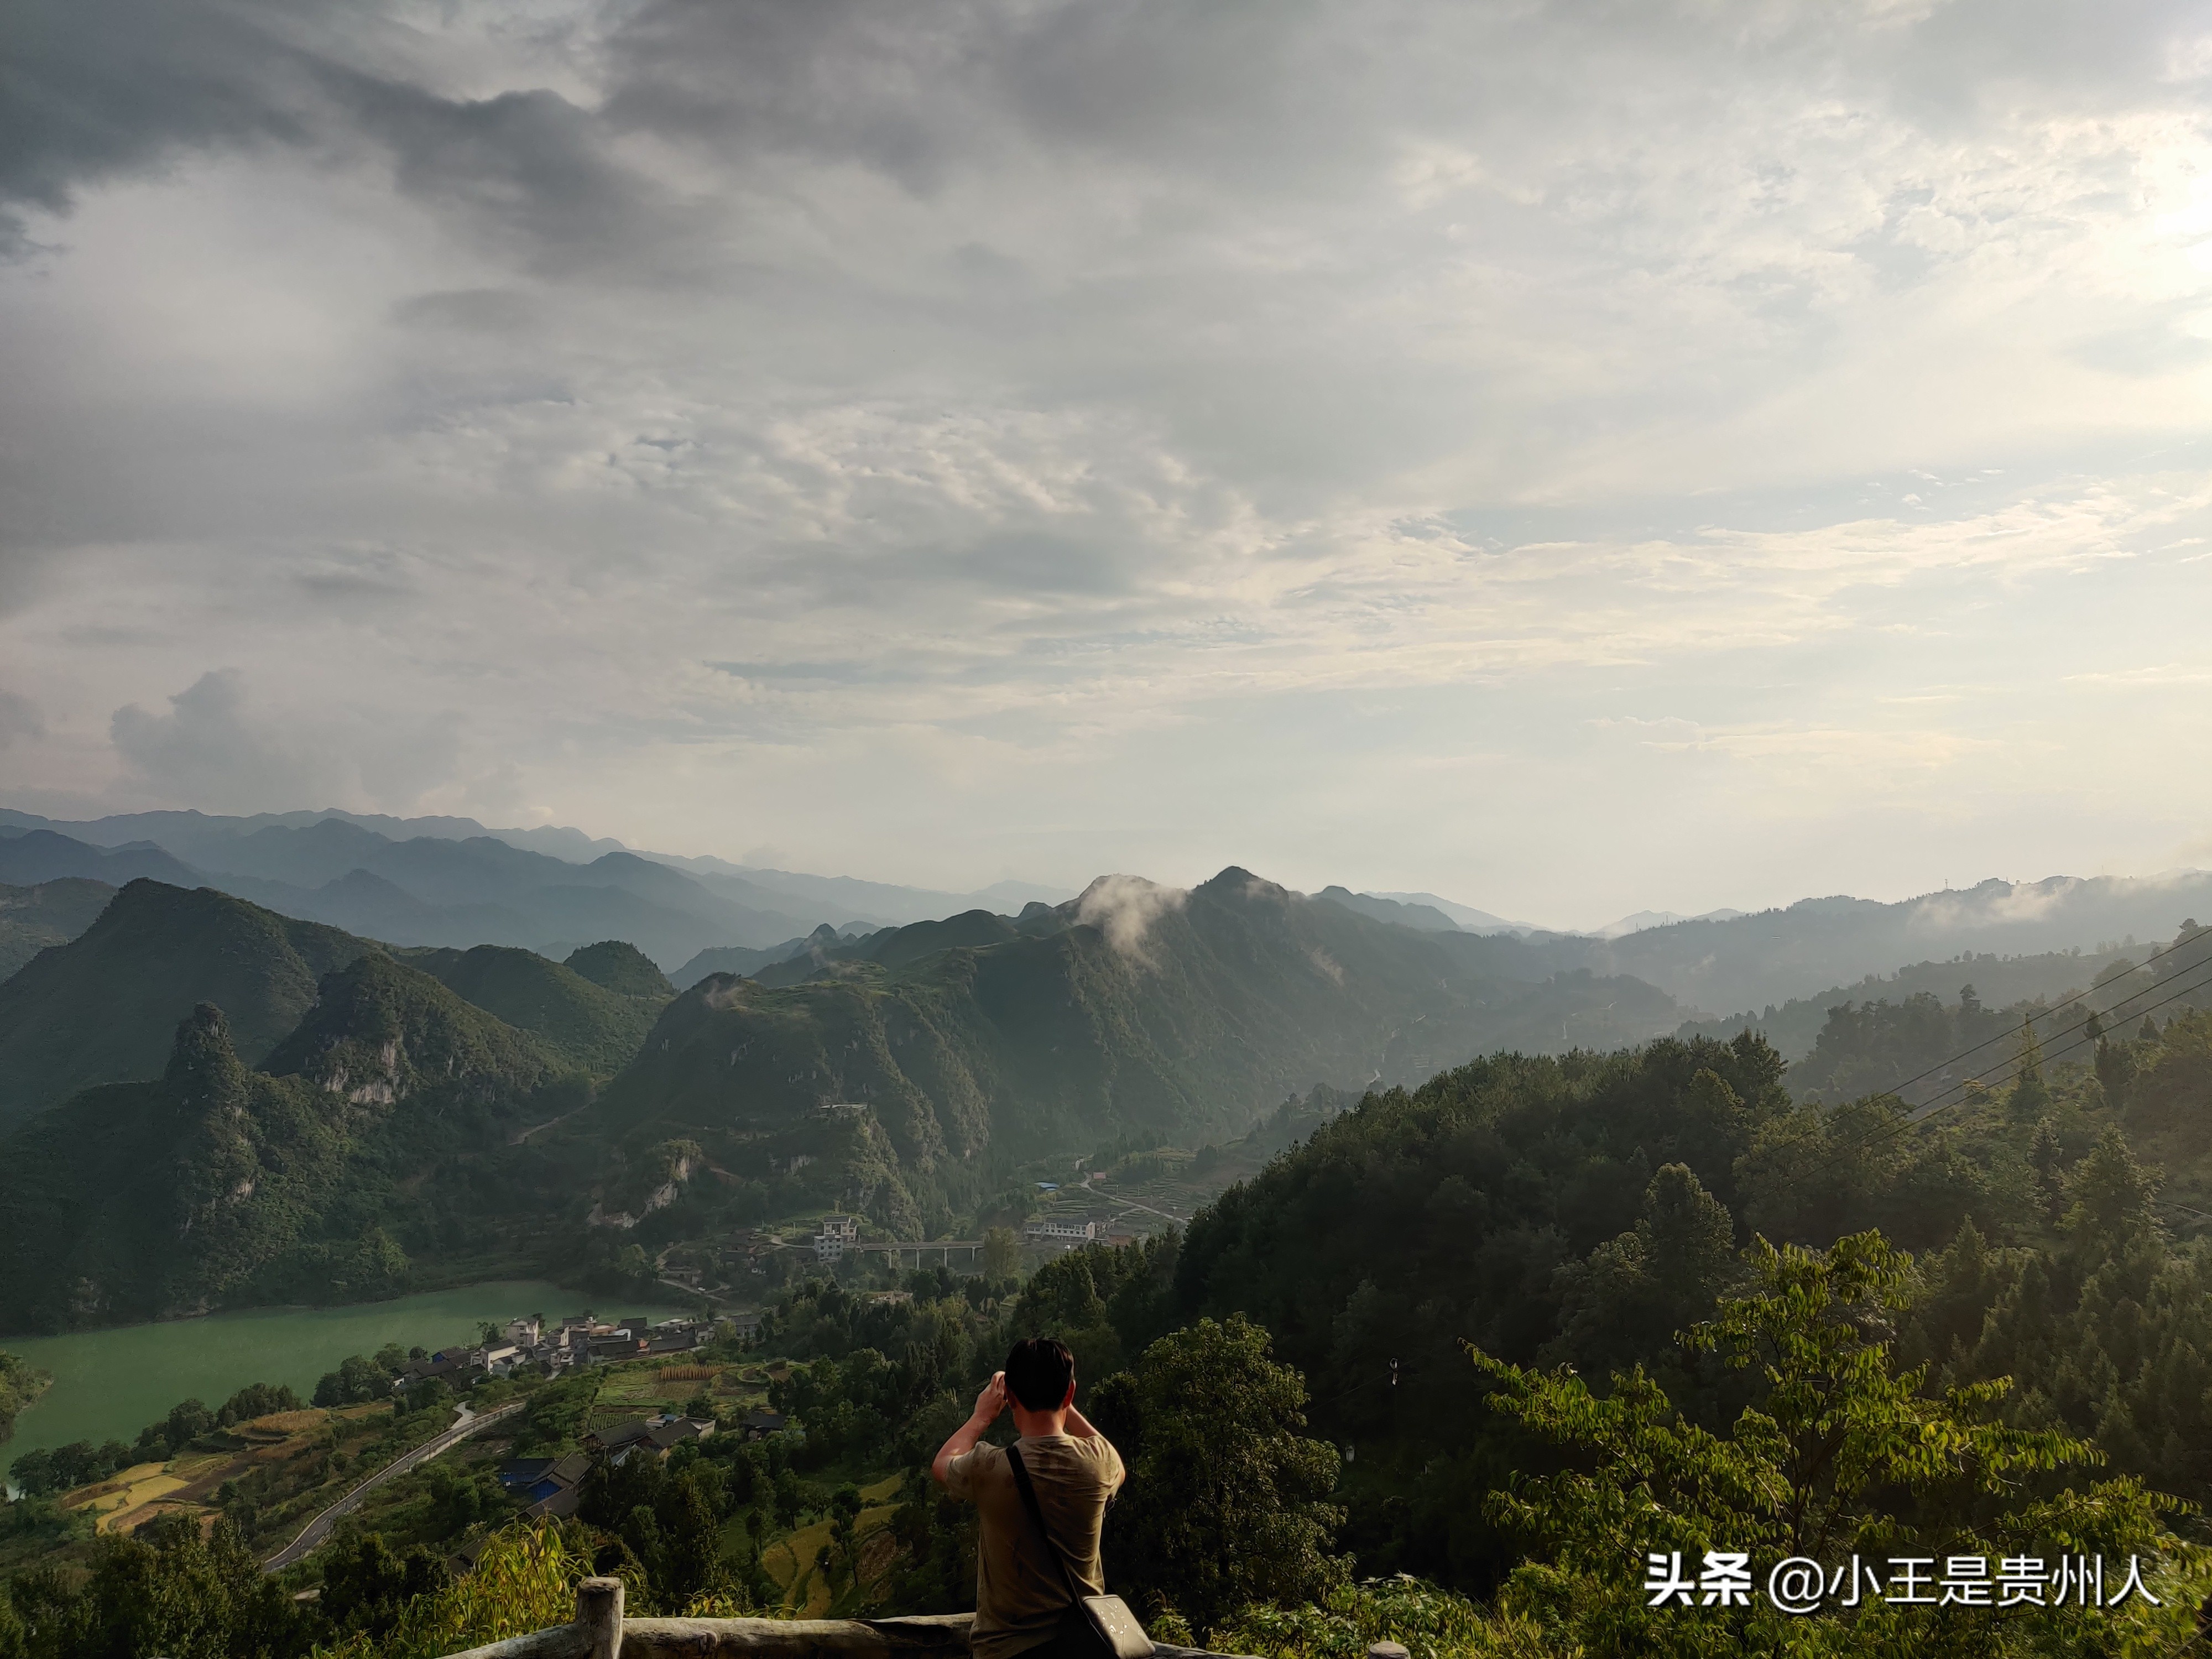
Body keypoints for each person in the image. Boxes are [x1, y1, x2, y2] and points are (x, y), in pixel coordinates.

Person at [932, 1337, 1126, 1659]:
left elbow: (942, 1464)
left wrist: (982, 1416)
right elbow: (1117, 1463)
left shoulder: (989, 1468)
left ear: (1010, 1398)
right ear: (1070, 1393)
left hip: (1007, 1650)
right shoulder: (1098, 1461)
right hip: (1083, 1646)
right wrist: (1063, 1401)